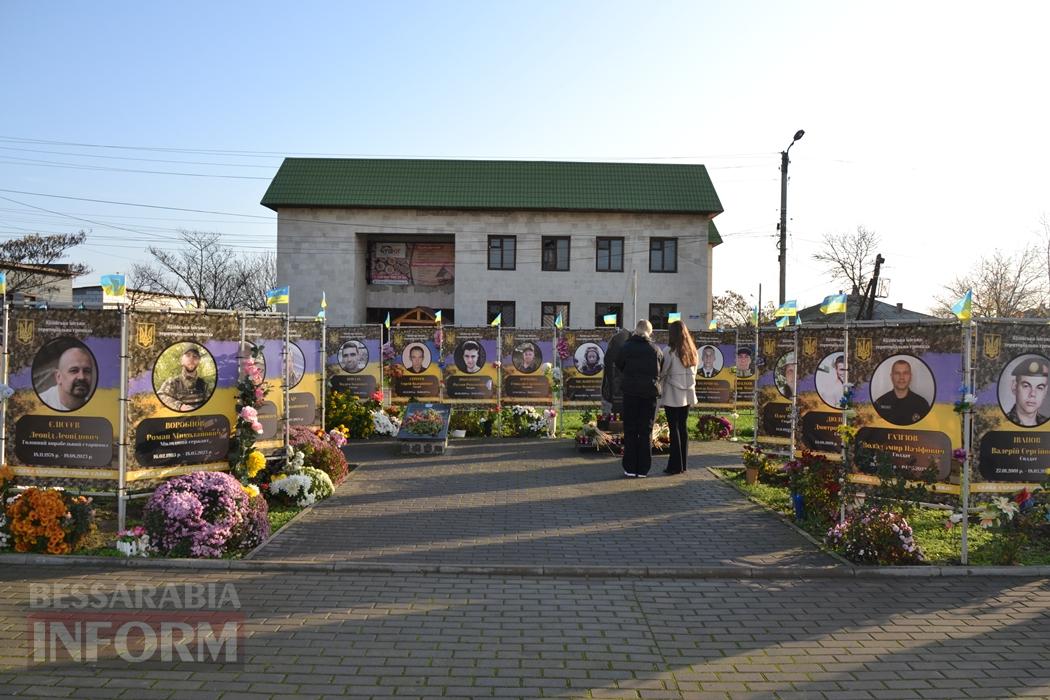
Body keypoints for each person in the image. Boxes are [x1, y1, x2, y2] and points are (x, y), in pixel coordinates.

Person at [615, 319, 663, 478]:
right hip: (649, 394)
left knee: (630, 429)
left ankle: (629, 467)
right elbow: (659, 369)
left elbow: (619, 365)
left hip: (630, 392)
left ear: (636, 330)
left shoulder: (626, 347)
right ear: (650, 332)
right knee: (645, 430)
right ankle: (643, 469)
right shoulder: (655, 350)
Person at [659, 320, 698, 475]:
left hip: (672, 394)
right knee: (682, 427)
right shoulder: (692, 350)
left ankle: (674, 465)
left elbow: (663, 372)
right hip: (687, 393)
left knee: (673, 428)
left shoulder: (669, 351)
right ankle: (683, 464)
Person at [874, 358, 931, 425]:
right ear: (891, 376)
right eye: (897, 373)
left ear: (911, 376)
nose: (901, 377)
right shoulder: (879, 403)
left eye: (905, 373)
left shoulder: (922, 404)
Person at [39, 346, 94, 411]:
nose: (82, 377)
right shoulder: (40, 404)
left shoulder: (95, 407)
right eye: (74, 370)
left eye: (87, 371)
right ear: (58, 377)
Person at [158, 346, 209, 412]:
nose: (191, 358)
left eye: (195, 356)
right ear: (181, 361)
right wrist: (179, 406)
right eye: (188, 355)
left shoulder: (204, 384)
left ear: (198, 362)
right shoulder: (172, 382)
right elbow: (160, 396)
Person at [1006, 358, 1050, 427]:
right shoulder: (1001, 423)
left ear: (1045, 391)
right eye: (1026, 386)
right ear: (1014, 387)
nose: (1032, 394)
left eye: (1039, 388)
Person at [601, 327, 631, 415]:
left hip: (615, 387)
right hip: (619, 387)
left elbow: (607, 362)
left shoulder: (616, 343)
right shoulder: (625, 343)